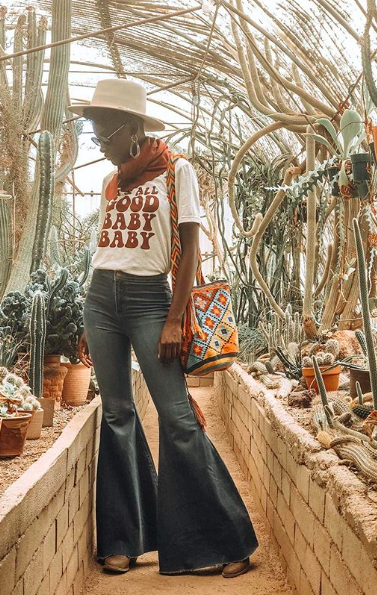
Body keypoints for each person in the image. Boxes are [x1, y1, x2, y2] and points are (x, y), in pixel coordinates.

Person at [67, 79, 258, 577]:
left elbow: (190, 246)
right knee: (117, 414)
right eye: (94, 136)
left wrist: (175, 317)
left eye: (102, 135)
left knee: (176, 417)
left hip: (151, 301)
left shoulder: (177, 172)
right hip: (100, 299)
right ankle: (124, 541)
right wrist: (91, 315)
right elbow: (108, 246)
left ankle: (227, 542)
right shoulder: (113, 181)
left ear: (130, 129)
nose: (99, 145)